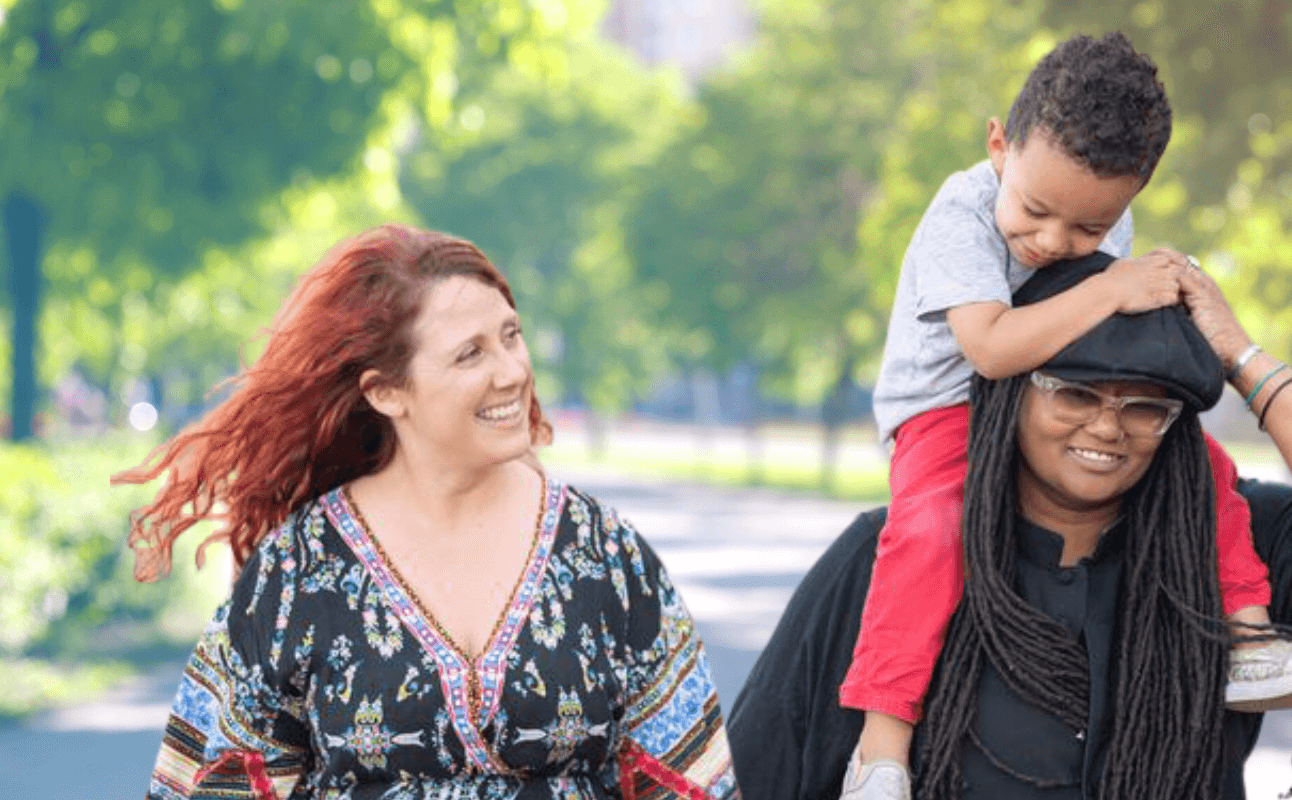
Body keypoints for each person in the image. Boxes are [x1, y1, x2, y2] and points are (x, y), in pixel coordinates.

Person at [113, 224, 739, 800]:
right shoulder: (300, 571)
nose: (511, 372)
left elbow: (690, 779)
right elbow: (211, 783)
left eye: (511, 336)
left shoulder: (607, 556)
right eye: (470, 354)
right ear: (386, 391)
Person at [847, 31, 1287, 788]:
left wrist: (1234, 354)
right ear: (998, 147)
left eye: (1088, 228)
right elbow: (987, 348)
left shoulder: (1099, 218)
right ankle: (881, 745)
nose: (1055, 242)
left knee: (1208, 468)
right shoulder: (963, 216)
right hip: (947, 409)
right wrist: (1112, 287)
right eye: (1037, 211)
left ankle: (1248, 633)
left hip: (1033, 383)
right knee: (927, 528)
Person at [727, 250, 1292, 800]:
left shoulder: (1233, 549)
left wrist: (1241, 358)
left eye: (1145, 408)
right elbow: (754, 778)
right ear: (1011, 390)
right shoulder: (884, 560)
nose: (1106, 428)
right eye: (1075, 394)